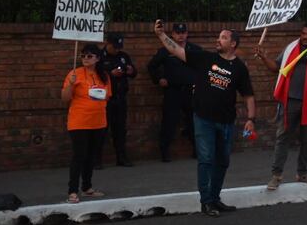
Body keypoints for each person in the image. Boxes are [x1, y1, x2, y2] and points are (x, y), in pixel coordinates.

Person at [153, 20, 255, 217]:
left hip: (226, 121)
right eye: (219, 37)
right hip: (203, 119)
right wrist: (161, 35)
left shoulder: (240, 68)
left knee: (222, 161)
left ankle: (215, 198)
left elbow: (248, 95)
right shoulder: (205, 58)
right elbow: (176, 50)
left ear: (233, 43)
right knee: (206, 159)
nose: (218, 40)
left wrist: (251, 119)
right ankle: (206, 202)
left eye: (223, 37)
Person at [254, 22, 307, 190]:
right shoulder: (291, 48)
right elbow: (276, 68)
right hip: (291, 100)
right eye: (303, 34)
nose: (305, 37)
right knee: (283, 137)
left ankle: (302, 173)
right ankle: (276, 175)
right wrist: (264, 57)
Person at [62, 44, 111, 203]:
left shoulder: (104, 75)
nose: (85, 59)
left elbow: (107, 96)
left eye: (89, 56)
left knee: (91, 156)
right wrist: (71, 84)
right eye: (83, 56)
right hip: (79, 121)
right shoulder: (74, 74)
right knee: (79, 155)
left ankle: (87, 187)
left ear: (97, 58)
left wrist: (98, 94)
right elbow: (65, 98)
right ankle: (72, 191)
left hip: (98, 121)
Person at [147, 22, 202, 162]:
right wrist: (159, 78)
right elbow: (152, 66)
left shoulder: (195, 50)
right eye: (178, 33)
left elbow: (202, 68)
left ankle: (197, 150)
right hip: (173, 90)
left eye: (183, 33)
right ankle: (164, 152)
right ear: (172, 34)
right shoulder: (165, 50)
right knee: (169, 122)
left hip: (191, 91)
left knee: (194, 121)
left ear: (187, 34)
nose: (181, 36)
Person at [95, 32, 137, 168]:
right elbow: (95, 74)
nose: (117, 49)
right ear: (107, 43)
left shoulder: (123, 56)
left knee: (120, 130)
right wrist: (110, 74)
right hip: (105, 99)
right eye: (115, 47)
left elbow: (133, 72)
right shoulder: (99, 56)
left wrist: (131, 71)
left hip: (120, 97)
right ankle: (96, 160)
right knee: (101, 130)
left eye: (119, 47)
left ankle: (121, 157)